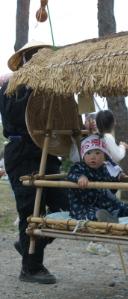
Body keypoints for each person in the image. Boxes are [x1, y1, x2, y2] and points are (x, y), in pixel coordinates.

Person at [0, 41, 69, 284]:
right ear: (27, 58)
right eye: (38, 55)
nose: (43, 58)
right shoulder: (13, 85)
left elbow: (63, 116)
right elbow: (17, 116)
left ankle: (29, 242)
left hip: (47, 150)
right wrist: (33, 89)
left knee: (63, 208)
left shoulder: (51, 85)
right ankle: (31, 267)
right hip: (22, 152)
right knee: (31, 211)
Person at [67, 134, 128, 222]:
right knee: (92, 214)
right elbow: (71, 175)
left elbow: (111, 188)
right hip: (83, 206)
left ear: (105, 156)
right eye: (88, 153)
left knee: (123, 207)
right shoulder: (79, 167)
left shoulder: (105, 168)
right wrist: (80, 177)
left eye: (97, 153)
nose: (93, 157)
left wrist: (117, 178)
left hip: (105, 205)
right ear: (83, 156)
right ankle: (106, 219)